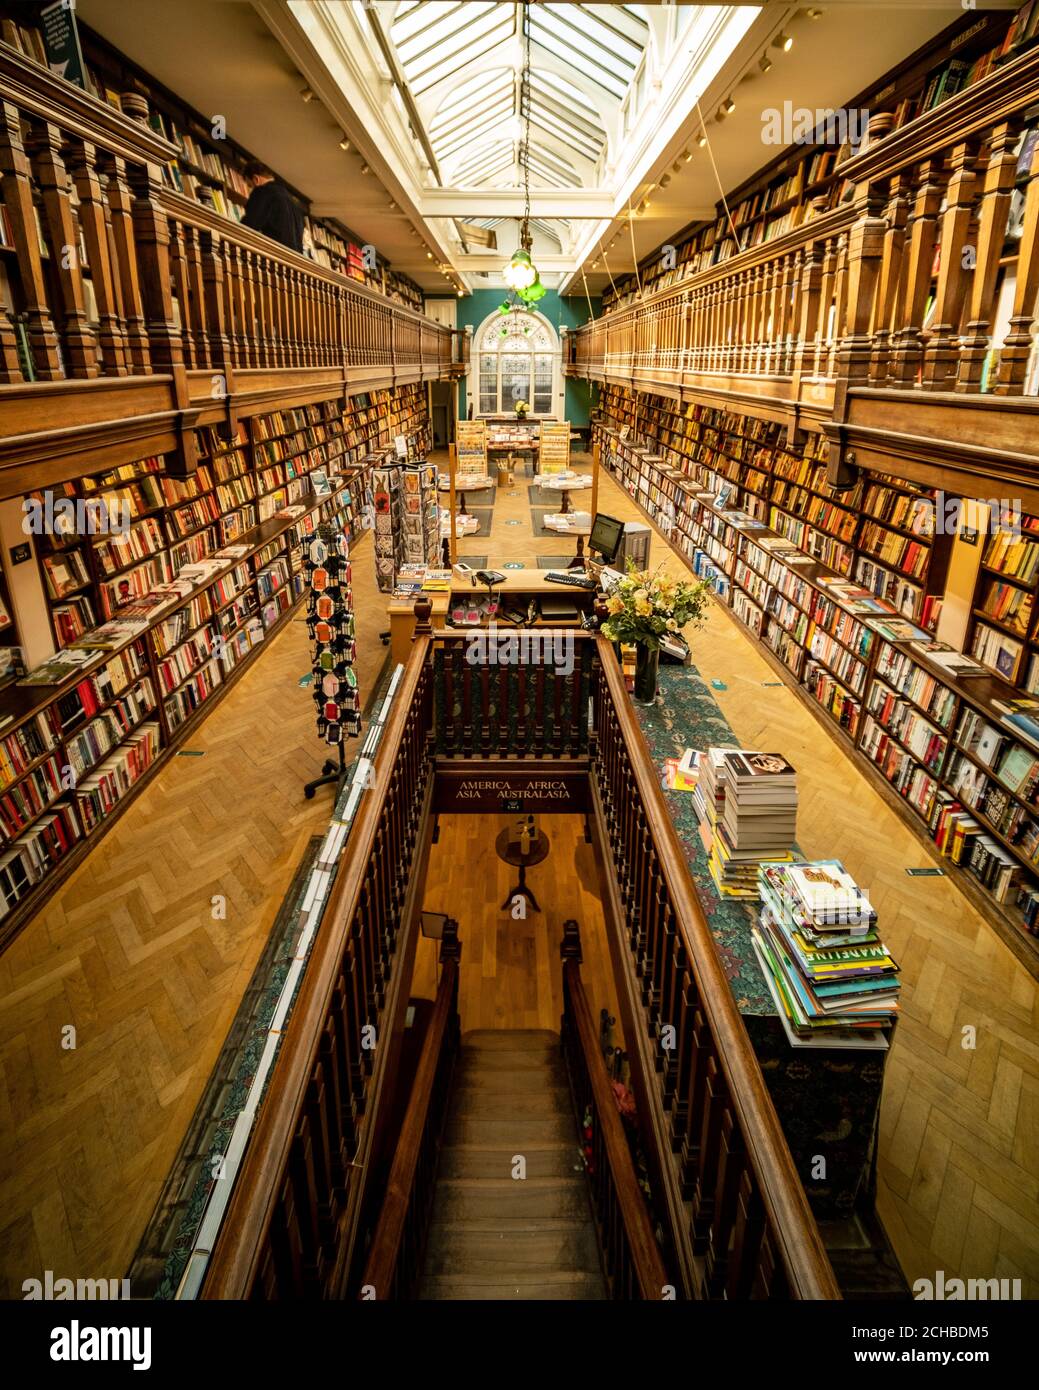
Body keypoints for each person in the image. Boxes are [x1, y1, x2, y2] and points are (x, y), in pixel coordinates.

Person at [241, 161, 304, 253]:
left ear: (256, 179)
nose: (250, 191)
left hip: (276, 257)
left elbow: (250, 225)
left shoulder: (262, 192)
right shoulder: (293, 203)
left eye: (250, 185)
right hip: (295, 260)